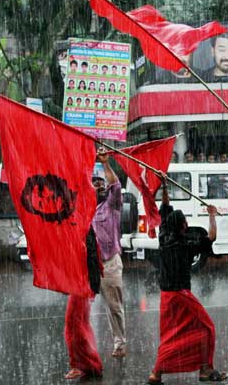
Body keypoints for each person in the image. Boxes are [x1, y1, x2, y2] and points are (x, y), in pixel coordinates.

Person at [148, 178, 228, 384]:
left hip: (166, 296)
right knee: (206, 327)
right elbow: (211, 237)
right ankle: (206, 369)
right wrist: (211, 215)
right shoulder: (186, 245)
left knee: (170, 333)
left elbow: (165, 208)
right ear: (184, 226)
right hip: (181, 294)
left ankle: (157, 373)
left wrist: (165, 186)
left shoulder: (164, 237)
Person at [91, 149, 126, 357]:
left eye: (101, 181)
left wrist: (105, 164)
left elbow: (116, 186)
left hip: (109, 263)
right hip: (89, 265)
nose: (100, 185)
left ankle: (120, 343)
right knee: (79, 310)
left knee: (114, 306)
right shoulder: (83, 208)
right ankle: (84, 352)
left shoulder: (111, 205)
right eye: (95, 182)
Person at [63, 228, 103, 380]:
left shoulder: (82, 230)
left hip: (82, 284)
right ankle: (90, 364)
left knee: (73, 324)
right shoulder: (85, 229)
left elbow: (86, 256)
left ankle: (81, 364)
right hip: (83, 283)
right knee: (79, 324)